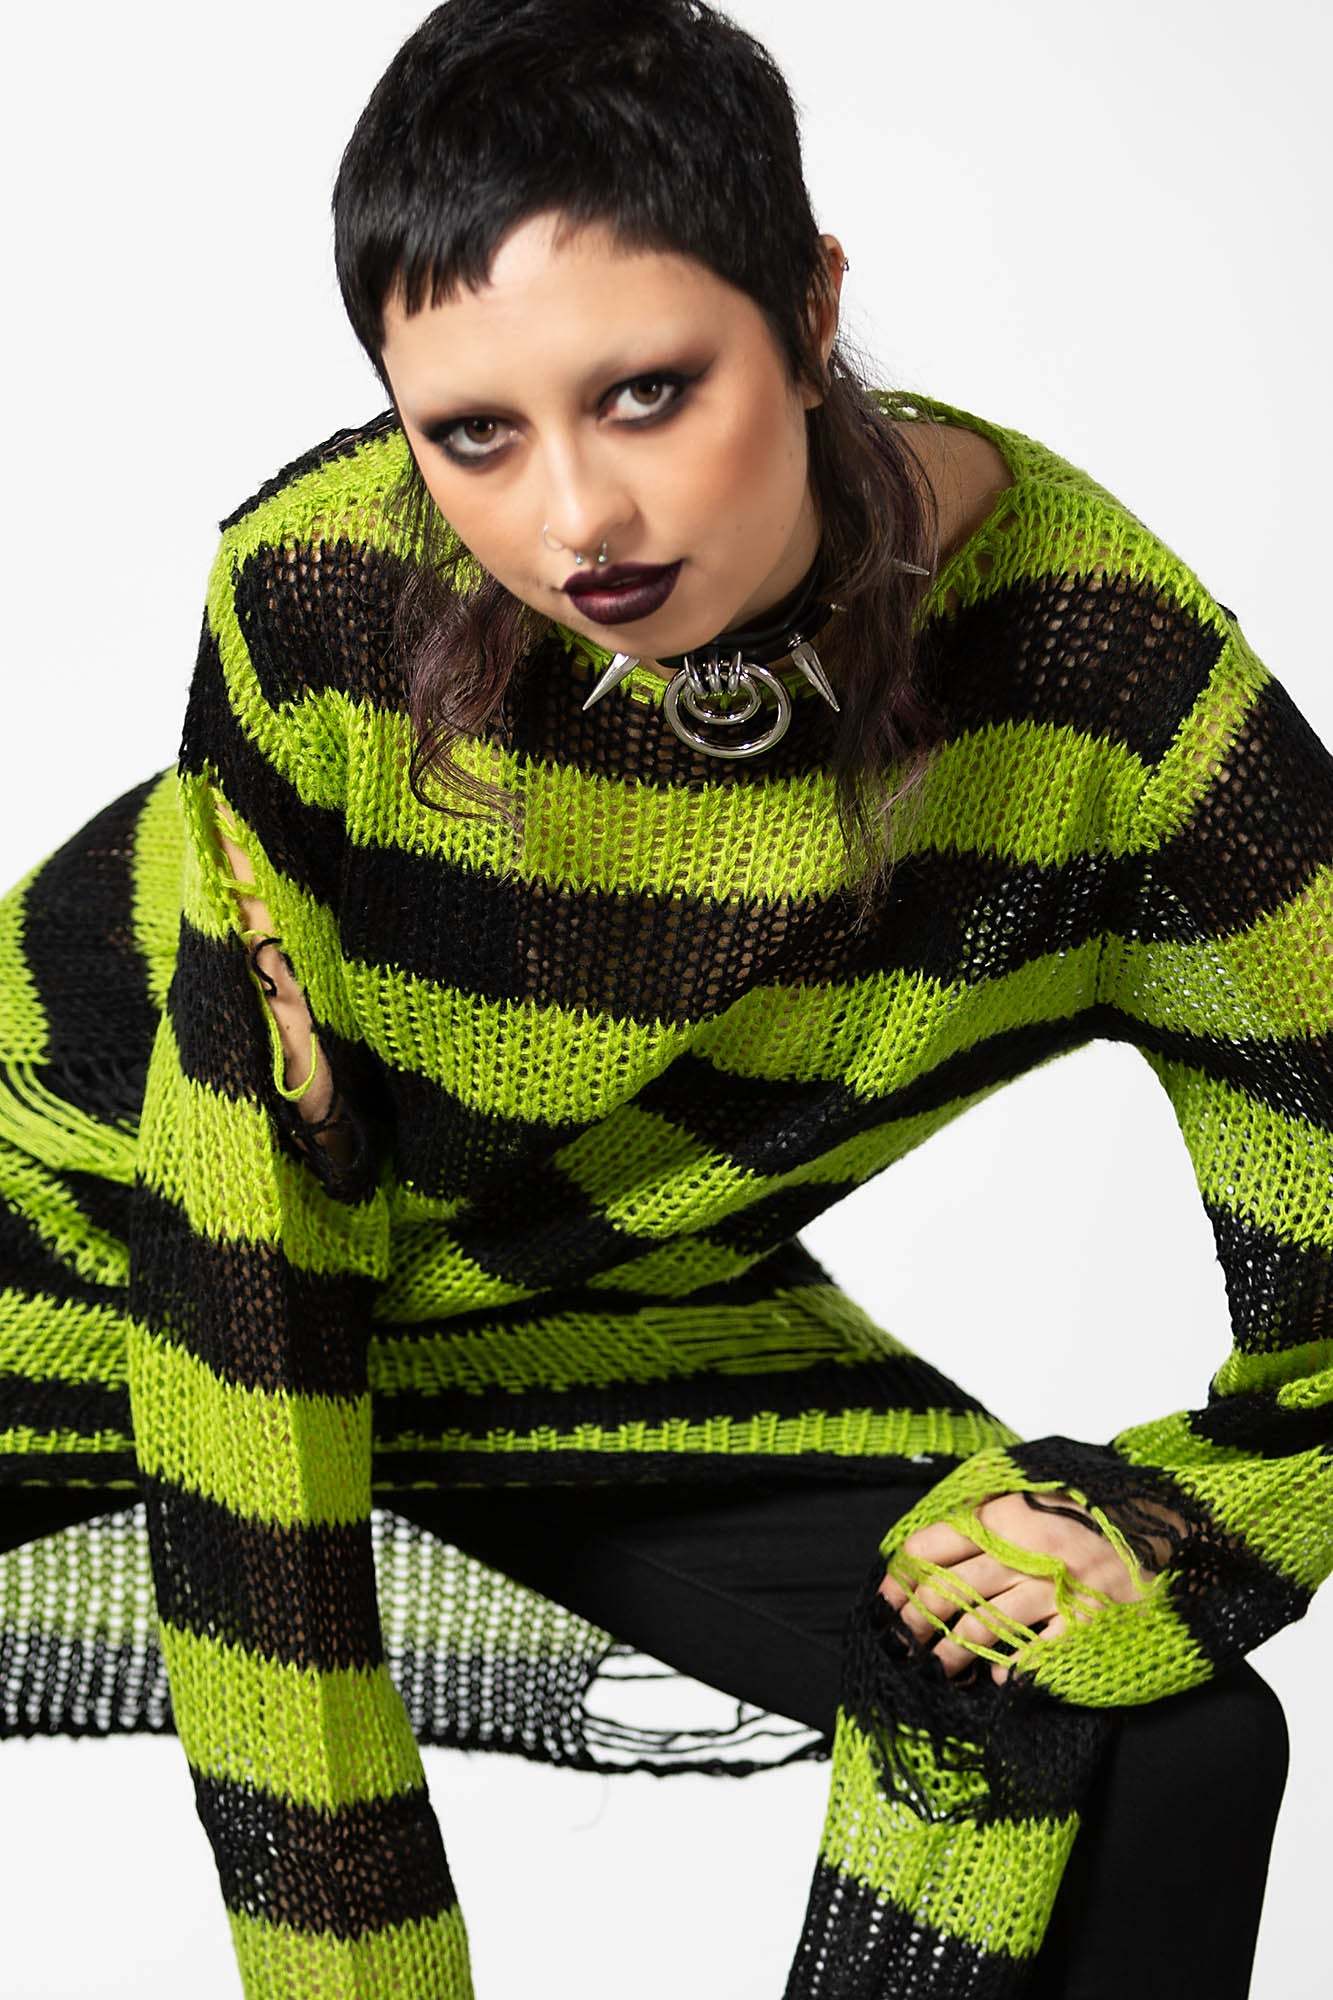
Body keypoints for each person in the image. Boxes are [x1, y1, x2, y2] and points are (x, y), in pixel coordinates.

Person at [0, 1, 1323, 1995]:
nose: (575, 522)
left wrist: (1195, 1521)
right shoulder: (320, 594)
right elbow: (244, 1273)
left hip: (567, 1311)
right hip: (103, 1239)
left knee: (1153, 1735)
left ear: (810, 309)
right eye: (472, 434)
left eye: (644, 394)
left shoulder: (1108, 689)